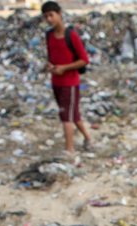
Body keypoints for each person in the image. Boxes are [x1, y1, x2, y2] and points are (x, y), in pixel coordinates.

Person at [41, 1, 92, 154]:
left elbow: (84, 59)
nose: (49, 19)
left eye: (51, 15)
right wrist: (51, 66)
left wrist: (64, 68)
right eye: (46, 17)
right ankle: (88, 138)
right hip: (56, 82)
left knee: (66, 117)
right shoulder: (49, 35)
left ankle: (69, 150)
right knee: (73, 115)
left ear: (59, 14)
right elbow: (52, 57)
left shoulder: (71, 35)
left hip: (69, 83)